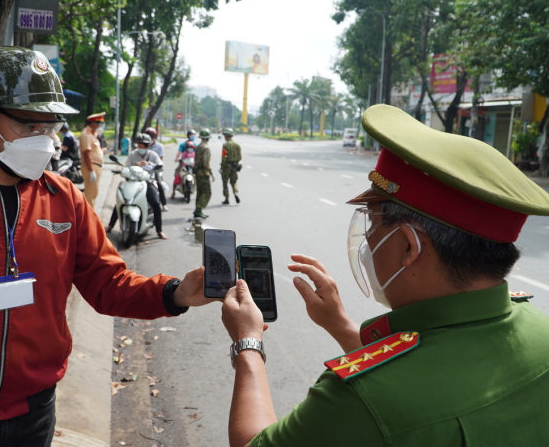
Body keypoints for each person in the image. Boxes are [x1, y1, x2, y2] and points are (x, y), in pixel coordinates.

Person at [0, 47, 211, 446]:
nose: (44, 139)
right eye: (29, 124)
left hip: (34, 417)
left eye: (49, 126)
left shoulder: (65, 198)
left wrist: (174, 293)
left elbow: (108, 283)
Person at [220, 104, 549, 447]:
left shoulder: (360, 400)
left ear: (409, 247)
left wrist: (248, 341)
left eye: (372, 226)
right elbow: (420, 371)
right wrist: (340, 325)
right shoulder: (539, 330)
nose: (367, 241)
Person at [106, 133, 167, 240]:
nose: (141, 147)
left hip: (147, 182)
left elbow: (161, 166)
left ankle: (159, 230)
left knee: (156, 203)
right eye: (139, 145)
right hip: (131, 182)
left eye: (143, 145)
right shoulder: (133, 155)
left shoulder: (153, 155)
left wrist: (148, 164)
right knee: (121, 200)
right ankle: (110, 226)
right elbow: (126, 168)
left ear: (148, 146)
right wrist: (134, 165)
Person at [80, 112, 106, 208]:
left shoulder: (92, 134)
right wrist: (91, 171)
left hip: (95, 166)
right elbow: (86, 153)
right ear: (93, 123)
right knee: (90, 196)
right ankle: (88, 220)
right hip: (91, 166)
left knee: (93, 194)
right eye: (98, 123)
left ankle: (90, 218)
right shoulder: (86, 134)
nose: (99, 126)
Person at [145, 127, 168, 211]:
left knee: (159, 183)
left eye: (151, 136)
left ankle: (164, 204)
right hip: (143, 170)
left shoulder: (159, 146)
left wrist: (151, 166)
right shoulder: (143, 145)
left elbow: (160, 161)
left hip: (154, 169)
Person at [193, 129, 214, 218]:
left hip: (197, 172)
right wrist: (211, 173)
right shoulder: (206, 148)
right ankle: (198, 209)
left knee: (200, 192)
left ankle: (198, 210)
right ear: (208, 138)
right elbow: (206, 163)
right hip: (204, 173)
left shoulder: (198, 146)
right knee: (207, 192)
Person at [220, 128, 241, 204]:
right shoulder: (237, 145)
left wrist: (222, 167)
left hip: (227, 166)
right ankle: (235, 193)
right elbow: (239, 157)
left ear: (226, 136)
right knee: (234, 182)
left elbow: (223, 157)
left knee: (225, 182)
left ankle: (226, 198)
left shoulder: (225, 145)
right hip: (234, 166)